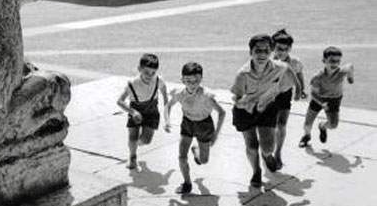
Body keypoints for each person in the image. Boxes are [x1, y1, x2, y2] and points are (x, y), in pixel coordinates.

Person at [231, 34, 299, 188]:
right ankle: (256, 171)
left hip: (267, 108)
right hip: (245, 111)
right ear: (251, 52)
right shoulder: (242, 74)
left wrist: (299, 88)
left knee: (268, 147)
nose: (262, 54)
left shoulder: (278, 66)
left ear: (271, 51)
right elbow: (237, 98)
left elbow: (289, 69)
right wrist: (244, 101)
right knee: (252, 145)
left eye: (266, 51)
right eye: (258, 51)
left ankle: (267, 156)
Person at [164, 62, 226, 194]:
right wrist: (167, 121)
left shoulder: (207, 96)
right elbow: (168, 106)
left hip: (204, 125)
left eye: (196, 81)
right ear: (182, 80)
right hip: (187, 123)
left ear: (201, 79)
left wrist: (216, 134)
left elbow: (222, 112)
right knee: (181, 156)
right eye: (188, 81)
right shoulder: (179, 93)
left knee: (203, 160)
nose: (192, 84)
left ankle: (196, 150)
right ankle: (187, 183)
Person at [117, 53, 169, 169]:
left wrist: (167, 115)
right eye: (146, 72)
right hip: (135, 109)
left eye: (153, 73)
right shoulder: (133, 83)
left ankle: (138, 143)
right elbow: (120, 101)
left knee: (146, 140)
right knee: (132, 136)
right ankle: (132, 156)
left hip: (152, 110)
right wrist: (132, 112)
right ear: (139, 69)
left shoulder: (158, 81)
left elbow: (165, 95)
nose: (149, 75)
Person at [298, 46, 354, 148]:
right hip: (318, 99)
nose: (335, 64)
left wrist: (350, 77)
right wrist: (322, 103)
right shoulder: (317, 77)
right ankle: (306, 136)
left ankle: (322, 126)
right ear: (324, 60)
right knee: (307, 124)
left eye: (338, 61)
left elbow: (350, 66)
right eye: (332, 61)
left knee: (333, 125)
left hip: (334, 100)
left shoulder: (342, 72)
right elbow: (314, 94)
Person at [271, 29, 305, 169]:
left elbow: (299, 75)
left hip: (285, 95)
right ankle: (268, 150)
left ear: (290, 48)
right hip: (270, 96)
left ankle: (278, 152)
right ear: (273, 47)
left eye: (286, 49)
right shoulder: (268, 61)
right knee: (270, 126)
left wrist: (301, 89)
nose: (282, 52)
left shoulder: (295, 62)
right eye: (279, 49)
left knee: (282, 125)